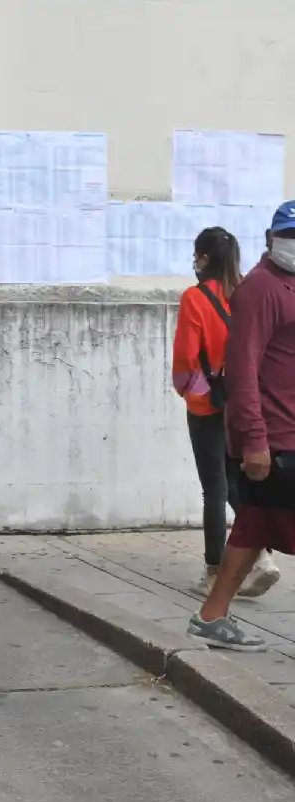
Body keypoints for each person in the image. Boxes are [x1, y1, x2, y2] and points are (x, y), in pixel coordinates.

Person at [188, 201, 295, 652]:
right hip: (275, 436)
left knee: (252, 527)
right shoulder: (261, 289)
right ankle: (211, 616)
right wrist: (254, 440)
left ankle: (211, 616)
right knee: (256, 524)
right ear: (271, 239)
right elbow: (243, 367)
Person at [172, 226, 280, 597]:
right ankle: (262, 558)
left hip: (208, 404)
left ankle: (215, 571)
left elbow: (187, 361)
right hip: (245, 403)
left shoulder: (195, 298)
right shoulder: (247, 293)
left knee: (214, 489)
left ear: (203, 258)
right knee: (239, 484)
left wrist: (194, 395)